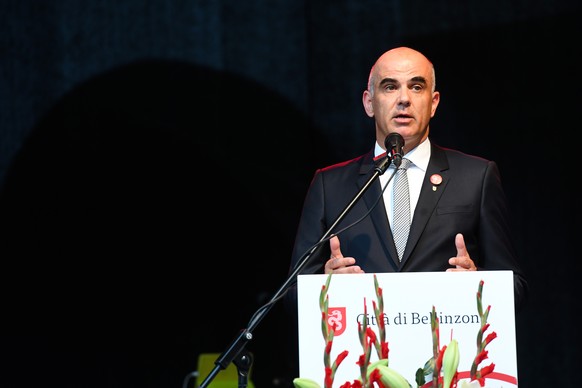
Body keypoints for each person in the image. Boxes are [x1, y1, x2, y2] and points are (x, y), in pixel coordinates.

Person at [286, 46, 528, 312]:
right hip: (366, 350)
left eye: (416, 87)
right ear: (369, 103)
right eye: (390, 87)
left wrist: (479, 283)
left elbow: (515, 288)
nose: (404, 99)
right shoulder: (329, 185)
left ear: (433, 102)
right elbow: (292, 294)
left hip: (446, 349)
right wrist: (325, 287)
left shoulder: (476, 177)